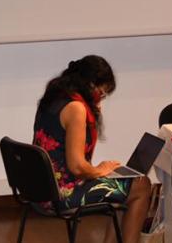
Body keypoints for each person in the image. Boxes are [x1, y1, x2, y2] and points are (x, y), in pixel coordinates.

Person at [32, 55, 151, 243]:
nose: (101, 100)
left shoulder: (54, 96)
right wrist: (99, 170)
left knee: (126, 187)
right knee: (141, 185)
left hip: (40, 189)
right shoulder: (76, 108)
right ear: (90, 85)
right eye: (101, 94)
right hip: (61, 194)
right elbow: (77, 167)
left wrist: (102, 171)